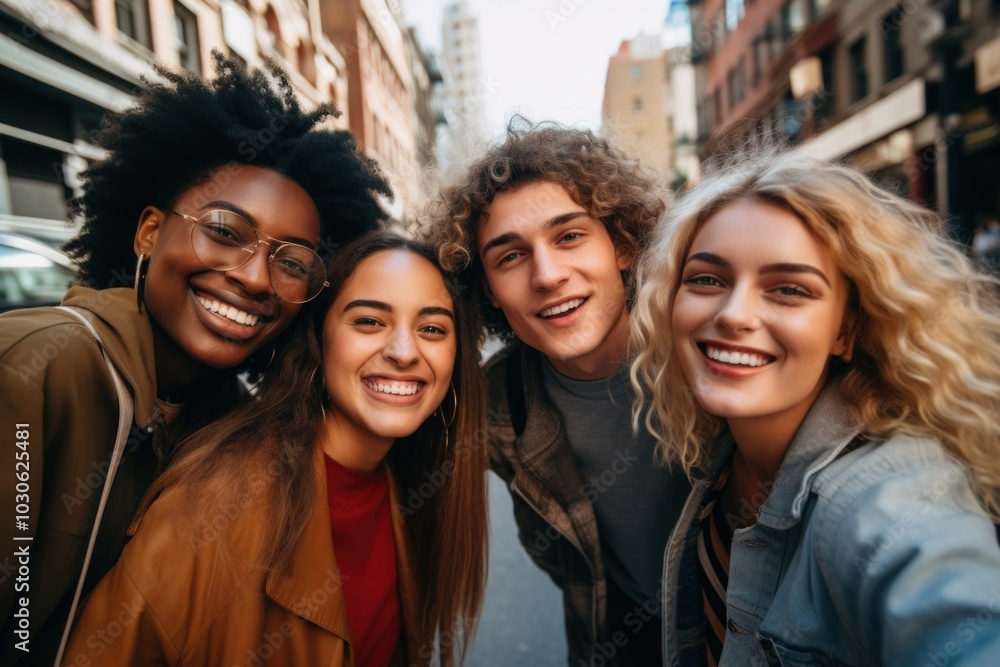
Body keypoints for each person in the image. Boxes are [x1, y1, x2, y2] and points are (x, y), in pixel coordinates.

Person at [0, 53, 389, 664]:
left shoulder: (236, 425)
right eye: (226, 232)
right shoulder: (36, 371)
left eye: (292, 263)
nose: (256, 278)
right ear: (149, 233)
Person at [631, 149, 1000, 666]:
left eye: (788, 289)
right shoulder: (712, 450)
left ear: (845, 330)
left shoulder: (886, 499)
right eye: (707, 279)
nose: (734, 314)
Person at [62, 231, 488, 665]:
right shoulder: (216, 503)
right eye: (369, 321)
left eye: (432, 328)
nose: (403, 352)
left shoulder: (411, 478)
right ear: (320, 339)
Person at [428, 119, 691, 665]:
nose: (547, 275)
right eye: (510, 256)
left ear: (622, 245)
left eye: (569, 236)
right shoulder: (495, 401)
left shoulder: (707, 353)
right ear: (489, 292)